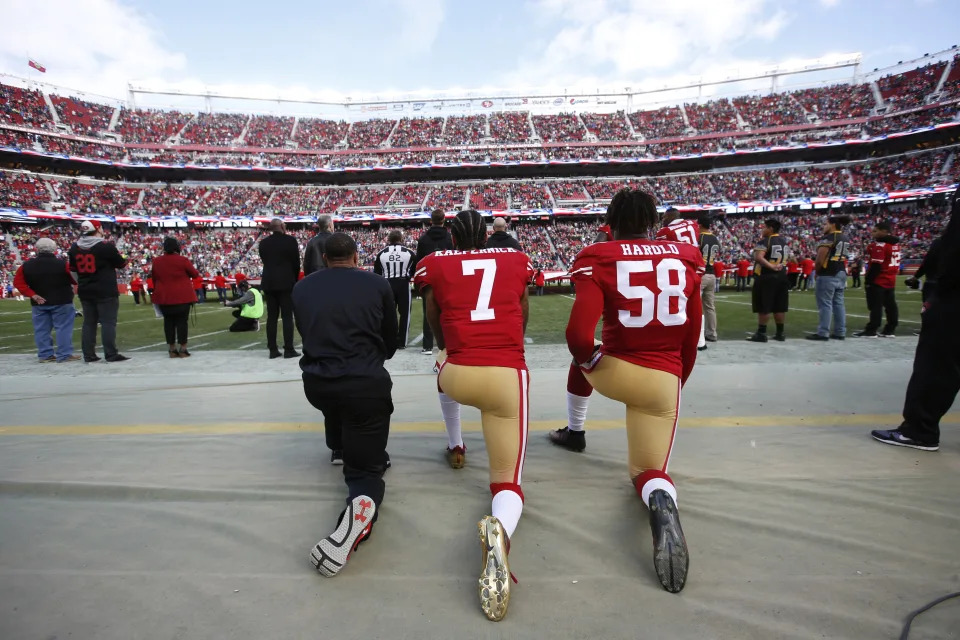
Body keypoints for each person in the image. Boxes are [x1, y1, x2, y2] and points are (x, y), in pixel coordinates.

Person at [564, 188, 704, 594]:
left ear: (612, 219)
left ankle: (575, 430)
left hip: (616, 370)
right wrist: (676, 382)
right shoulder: (685, 256)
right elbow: (691, 337)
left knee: (580, 360)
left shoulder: (599, 256)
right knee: (648, 473)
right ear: (651, 220)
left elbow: (577, 335)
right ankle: (661, 500)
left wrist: (591, 362)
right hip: (664, 377)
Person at [414, 210, 534, 622]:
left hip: (457, 373)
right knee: (508, 482)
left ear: (450, 234)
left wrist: (449, 351)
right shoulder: (515, 259)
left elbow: (433, 318)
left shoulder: (435, 264)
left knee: (443, 379)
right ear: (486, 235)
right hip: (505, 373)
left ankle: (456, 443)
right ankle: (500, 528)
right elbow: (522, 312)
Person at [293, 233, 397, 577]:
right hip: (363, 384)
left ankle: (337, 446)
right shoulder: (377, 284)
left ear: (324, 258)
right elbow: (390, 340)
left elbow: (307, 333)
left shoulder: (303, 287)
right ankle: (357, 512)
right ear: (356, 255)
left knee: (336, 404)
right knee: (367, 469)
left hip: (318, 383)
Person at [871, 191, 960, 451]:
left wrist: (941, 290)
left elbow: (953, 246)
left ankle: (919, 429)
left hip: (954, 295)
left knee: (938, 362)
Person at [68, 220, 129, 363]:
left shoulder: (74, 248)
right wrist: (124, 257)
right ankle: (111, 353)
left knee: (89, 323)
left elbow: (73, 270)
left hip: (85, 289)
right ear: (97, 229)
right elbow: (121, 263)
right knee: (108, 322)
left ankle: (88, 354)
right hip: (105, 289)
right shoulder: (105, 247)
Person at [13, 237, 80, 363]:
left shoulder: (26, 265)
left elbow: (18, 282)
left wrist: (32, 294)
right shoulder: (63, 264)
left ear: (37, 249)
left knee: (41, 330)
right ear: (54, 249)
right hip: (62, 301)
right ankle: (64, 354)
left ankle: (45, 355)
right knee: (63, 329)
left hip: (39, 302)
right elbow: (74, 279)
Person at [151, 237, 200, 358]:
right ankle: (183, 349)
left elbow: (154, 278)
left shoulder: (157, 261)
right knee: (182, 322)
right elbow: (194, 274)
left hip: (164, 298)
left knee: (168, 323)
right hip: (182, 297)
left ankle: (172, 349)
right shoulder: (183, 260)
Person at [258, 218, 301, 358]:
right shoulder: (290, 241)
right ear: (282, 226)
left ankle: (272, 349)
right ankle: (289, 349)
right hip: (286, 282)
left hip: (269, 282)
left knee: (272, 317)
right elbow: (296, 263)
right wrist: (293, 278)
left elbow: (265, 260)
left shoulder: (263, 243)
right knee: (287, 316)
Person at [414, 209, 454, 356]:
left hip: (429, 280)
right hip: (447, 279)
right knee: (448, 311)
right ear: (444, 219)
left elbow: (419, 262)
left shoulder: (424, 239)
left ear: (431, 220)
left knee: (428, 312)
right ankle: (448, 343)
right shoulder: (450, 237)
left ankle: (427, 346)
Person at [808, 215, 851, 341]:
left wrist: (817, 272)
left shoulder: (828, 238)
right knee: (839, 303)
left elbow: (820, 259)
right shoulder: (845, 237)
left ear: (832, 224)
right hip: (841, 271)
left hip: (828, 273)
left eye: (826, 224)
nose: (824, 226)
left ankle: (823, 332)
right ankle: (840, 331)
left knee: (825, 304)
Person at [854, 221, 900, 338]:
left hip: (879, 280)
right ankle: (890, 329)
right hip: (891, 279)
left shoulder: (880, 246)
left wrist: (868, 281)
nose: (872, 233)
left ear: (884, 232)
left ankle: (871, 330)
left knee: (876, 306)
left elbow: (876, 265)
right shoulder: (896, 244)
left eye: (875, 231)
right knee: (891, 306)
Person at [747, 218, 789, 343]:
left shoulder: (765, 241)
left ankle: (762, 333)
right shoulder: (784, 241)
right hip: (782, 276)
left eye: (764, 227)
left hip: (767, 276)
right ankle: (780, 333)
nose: (762, 230)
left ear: (770, 229)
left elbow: (758, 257)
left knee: (764, 305)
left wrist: (771, 266)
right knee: (779, 306)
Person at [373, 229, 416, 348]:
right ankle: (402, 342)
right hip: (403, 283)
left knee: (387, 314)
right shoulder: (409, 252)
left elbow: (377, 273)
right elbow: (413, 271)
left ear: (389, 239)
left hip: (387, 284)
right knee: (405, 314)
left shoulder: (381, 253)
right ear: (401, 240)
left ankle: (388, 341)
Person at [698, 216, 721, 345]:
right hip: (711, 273)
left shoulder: (699, 237)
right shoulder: (715, 238)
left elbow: (695, 253)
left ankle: (697, 335)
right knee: (710, 307)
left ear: (700, 225)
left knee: (694, 305)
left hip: (701, 274)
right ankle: (712, 333)